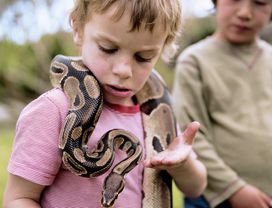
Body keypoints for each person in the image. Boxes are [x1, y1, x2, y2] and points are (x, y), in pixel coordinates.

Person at [2, 0, 207, 207]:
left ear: (162, 50)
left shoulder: (160, 114)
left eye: (143, 57)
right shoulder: (53, 110)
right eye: (108, 49)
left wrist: (182, 164)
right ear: (78, 29)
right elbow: (18, 198)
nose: (123, 70)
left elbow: (196, 188)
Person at [172, 0, 272, 208]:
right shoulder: (194, 62)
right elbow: (192, 136)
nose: (245, 13)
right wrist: (234, 188)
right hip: (211, 198)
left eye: (260, 3)